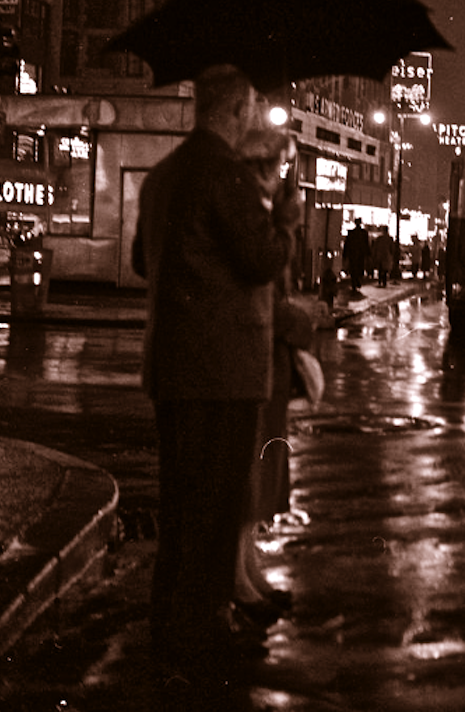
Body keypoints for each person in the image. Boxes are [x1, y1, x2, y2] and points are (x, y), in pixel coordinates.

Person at [132, 65, 300, 682]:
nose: (252, 119)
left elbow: (142, 261)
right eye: (250, 109)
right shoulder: (223, 175)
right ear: (234, 113)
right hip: (224, 375)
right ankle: (202, 632)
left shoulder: (163, 176)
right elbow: (261, 259)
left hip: (171, 370)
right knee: (215, 506)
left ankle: (169, 626)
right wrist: (284, 217)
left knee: (181, 507)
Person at [233, 128, 316, 631]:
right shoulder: (249, 207)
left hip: (265, 369)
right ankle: (238, 580)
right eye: (278, 167)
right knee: (249, 480)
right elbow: (260, 275)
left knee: (260, 482)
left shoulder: (254, 206)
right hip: (252, 363)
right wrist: (298, 321)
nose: (281, 176)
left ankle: (248, 569)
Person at [343, 218, 371, 293]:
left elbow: (347, 244)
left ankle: (354, 283)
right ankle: (357, 281)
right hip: (360, 254)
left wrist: (345, 255)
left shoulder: (351, 233)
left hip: (352, 254)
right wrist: (368, 254)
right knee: (359, 268)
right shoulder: (364, 233)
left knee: (353, 269)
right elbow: (366, 245)